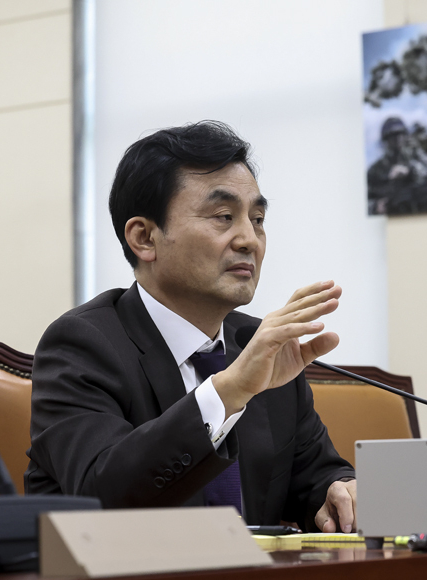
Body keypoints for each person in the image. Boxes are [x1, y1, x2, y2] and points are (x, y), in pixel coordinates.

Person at [25, 121, 356, 533]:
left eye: (257, 219)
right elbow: (101, 495)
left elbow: (315, 477)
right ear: (144, 238)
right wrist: (228, 392)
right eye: (223, 217)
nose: (249, 240)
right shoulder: (81, 346)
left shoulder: (257, 344)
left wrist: (338, 491)